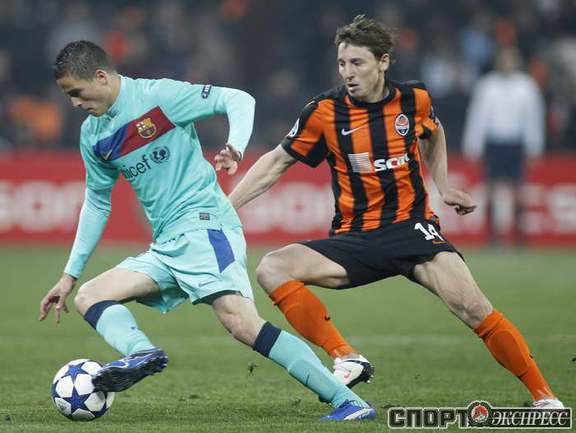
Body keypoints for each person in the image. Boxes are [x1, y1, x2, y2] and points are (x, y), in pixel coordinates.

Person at [229, 16, 563, 409]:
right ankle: (346, 356)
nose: (348, 73)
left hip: (411, 230)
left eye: (358, 63)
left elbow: (433, 134)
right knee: (272, 268)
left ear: (383, 62)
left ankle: (545, 398)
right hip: (356, 238)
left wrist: (444, 186)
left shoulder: (414, 99)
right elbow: (275, 162)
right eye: (342, 63)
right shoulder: (324, 111)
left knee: (474, 307)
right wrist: (226, 208)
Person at [38, 40, 376, 421]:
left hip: (204, 225)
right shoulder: (93, 136)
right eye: (68, 96)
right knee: (90, 295)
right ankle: (140, 352)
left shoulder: (158, 97)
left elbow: (239, 99)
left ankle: (348, 401)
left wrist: (235, 146)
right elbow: (98, 202)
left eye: (77, 93)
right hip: (166, 244)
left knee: (243, 324)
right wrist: (68, 276)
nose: (74, 103)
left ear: (100, 77)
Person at [463, 46, 545, 246]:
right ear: (497, 61)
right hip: (494, 143)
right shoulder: (487, 85)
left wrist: (534, 145)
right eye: (504, 59)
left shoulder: (526, 86)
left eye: (510, 59)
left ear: (517, 61)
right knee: (490, 188)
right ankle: (492, 235)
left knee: (518, 189)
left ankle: (519, 235)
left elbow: (533, 118)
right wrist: (473, 144)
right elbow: (478, 116)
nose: (507, 63)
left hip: (516, 143)